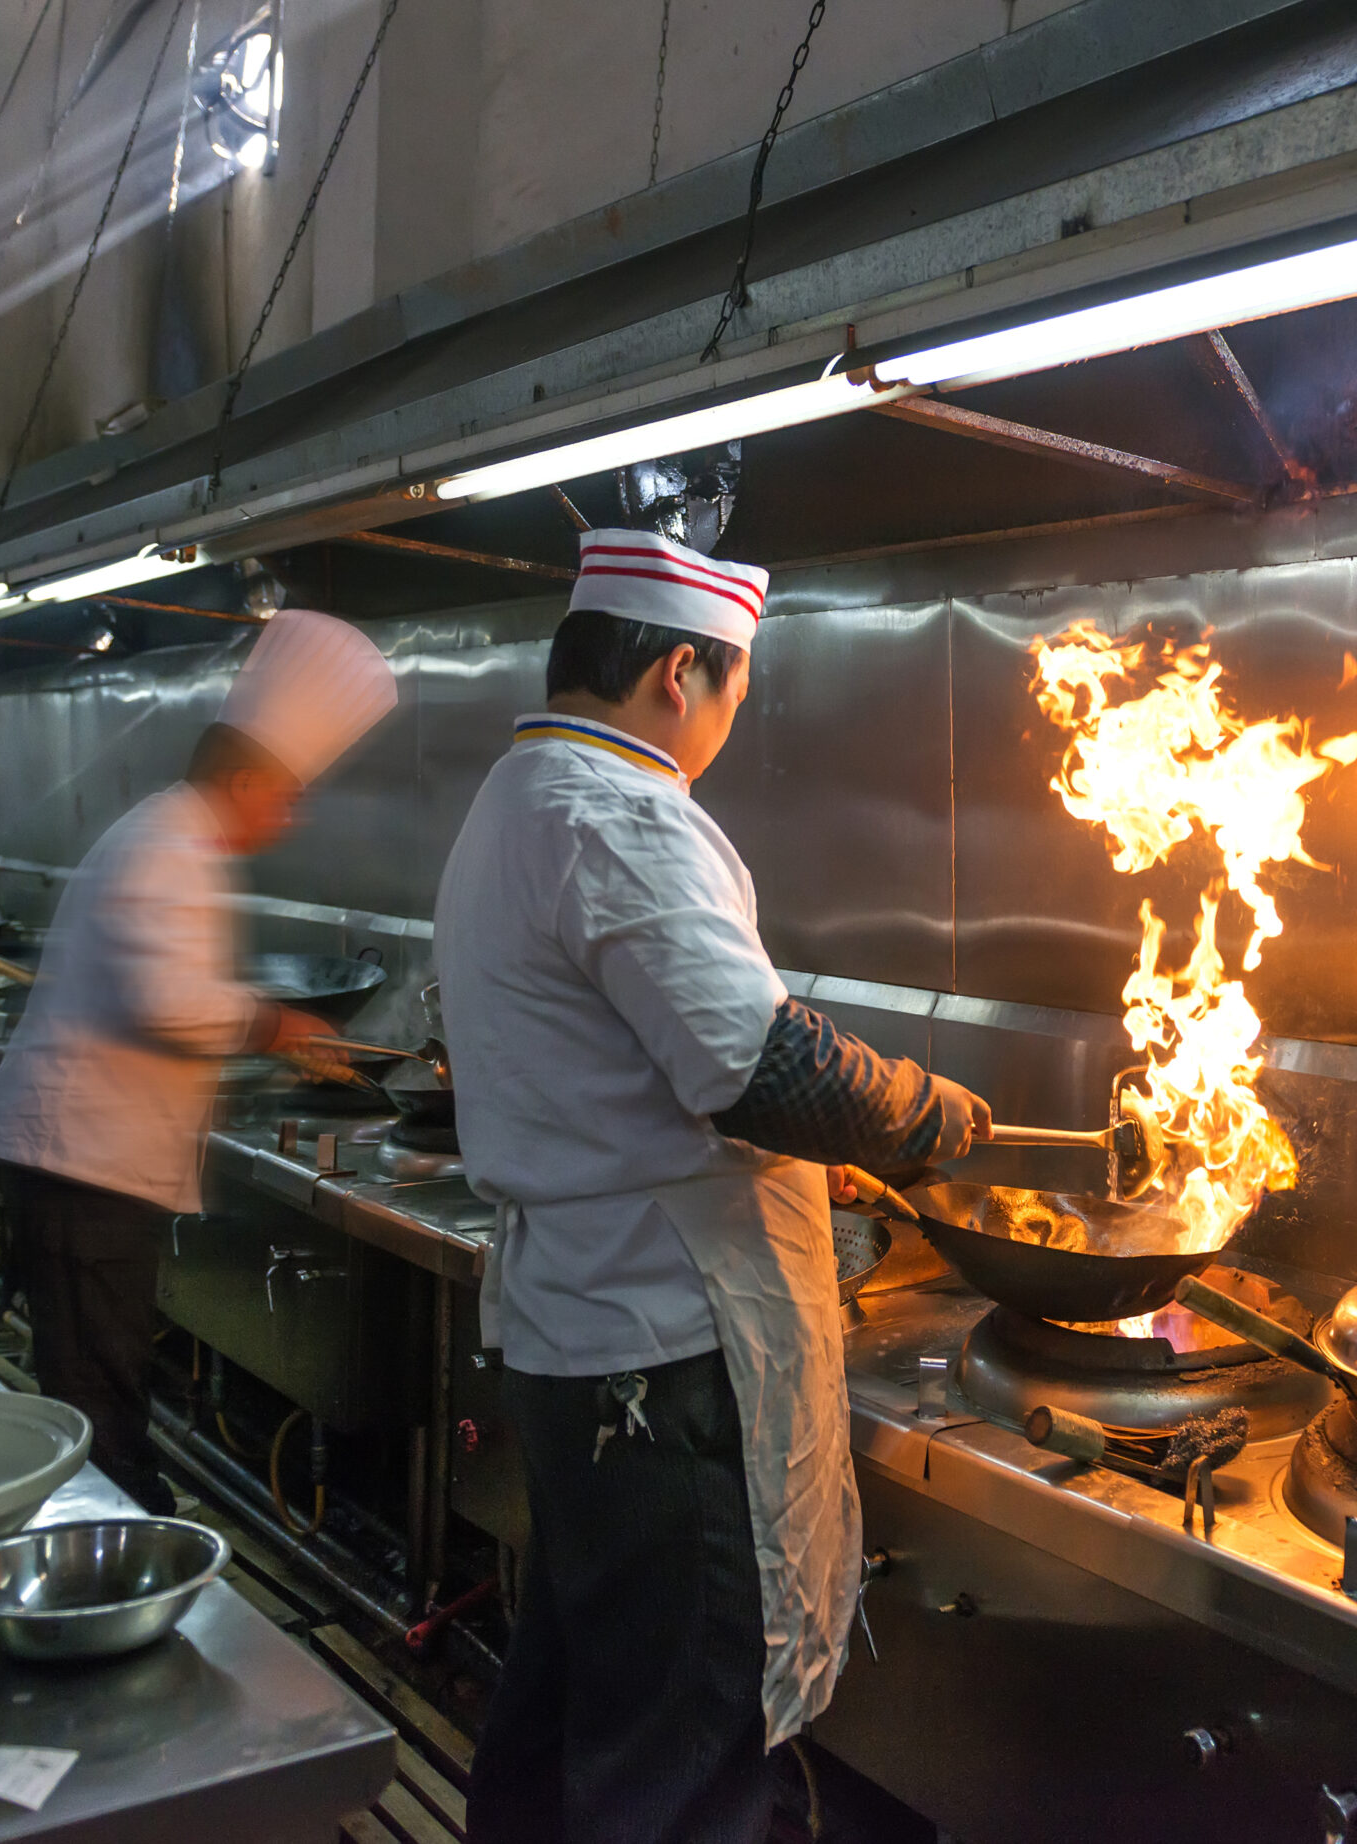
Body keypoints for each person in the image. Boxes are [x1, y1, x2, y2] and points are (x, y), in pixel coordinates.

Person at [439, 527, 989, 1844]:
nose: (727, 724)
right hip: (665, 1359)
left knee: (573, 1698)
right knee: (682, 1761)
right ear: (680, 673)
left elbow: (651, 1062)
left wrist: (829, 1153)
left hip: (587, 1337)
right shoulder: (620, 812)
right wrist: (923, 1114)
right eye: (736, 693)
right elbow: (763, 1068)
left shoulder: (515, 797)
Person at [0, 611, 397, 1513]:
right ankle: (113, 1554)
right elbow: (166, 1002)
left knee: (101, 1380)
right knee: (97, 1399)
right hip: (80, 1166)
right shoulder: (169, 845)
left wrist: (262, 1030)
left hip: (85, 1163)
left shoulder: (176, 838)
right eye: (284, 795)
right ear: (243, 778)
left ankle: (113, 1529)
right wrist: (276, 1027)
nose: (287, 815)